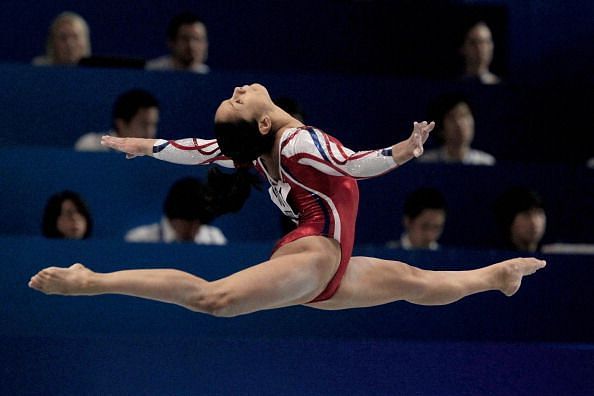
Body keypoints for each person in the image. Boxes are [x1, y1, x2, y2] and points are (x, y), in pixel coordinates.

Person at [29, 83, 545, 318]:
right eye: (236, 99)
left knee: (411, 282)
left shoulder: (250, 151)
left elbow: (198, 150)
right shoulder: (298, 141)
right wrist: (405, 151)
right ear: (261, 121)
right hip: (315, 252)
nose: (238, 88)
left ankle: (496, 278)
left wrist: (147, 146)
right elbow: (354, 164)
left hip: (329, 268)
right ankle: (90, 280)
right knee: (215, 299)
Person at [125, 176, 227, 245]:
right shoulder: (140, 239)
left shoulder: (214, 238)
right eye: (188, 222)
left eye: (198, 224)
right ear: (173, 218)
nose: (193, 230)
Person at [418, 92, 495, 165]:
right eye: (452, 118)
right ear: (441, 128)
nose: (460, 124)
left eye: (464, 115)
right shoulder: (428, 162)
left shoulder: (486, 162)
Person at [75, 89, 160, 151]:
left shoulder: (157, 155)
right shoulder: (91, 146)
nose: (150, 132)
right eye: (143, 125)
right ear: (121, 124)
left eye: (154, 125)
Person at [493, 186, 546, 252]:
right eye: (526, 215)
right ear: (509, 220)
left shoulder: (555, 254)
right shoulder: (496, 258)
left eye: (539, 213)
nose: (534, 222)